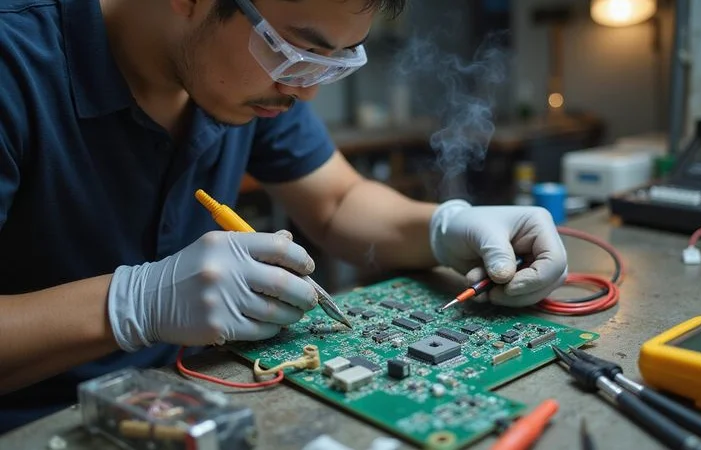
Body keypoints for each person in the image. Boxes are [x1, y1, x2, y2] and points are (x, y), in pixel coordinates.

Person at [0, 0, 568, 433]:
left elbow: (338, 200)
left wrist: (446, 227)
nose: (306, 92)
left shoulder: (243, 77)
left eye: (334, 64)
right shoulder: (15, 62)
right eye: (296, 52)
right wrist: (130, 304)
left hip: (188, 402)